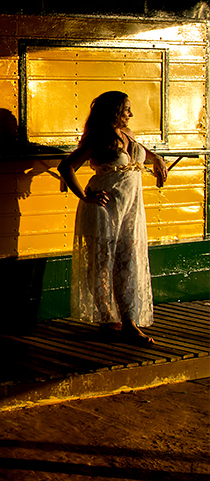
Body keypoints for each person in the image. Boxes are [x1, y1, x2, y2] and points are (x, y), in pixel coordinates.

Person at [59, 91, 168, 346]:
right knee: (102, 264)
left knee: (128, 262)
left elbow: (143, 154)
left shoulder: (128, 135)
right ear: (114, 111)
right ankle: (108, 318)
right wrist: (85, 197)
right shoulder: (100, 137)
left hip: (130, 209)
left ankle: (129, 322)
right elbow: (66, 167)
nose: (131, 114)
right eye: (126, 109)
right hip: (104, 208)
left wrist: (158, 159)